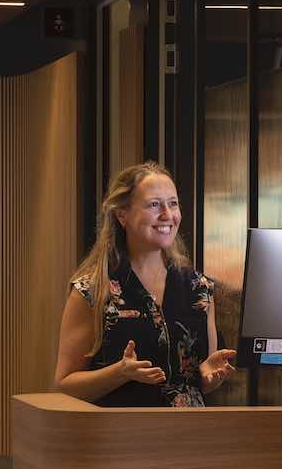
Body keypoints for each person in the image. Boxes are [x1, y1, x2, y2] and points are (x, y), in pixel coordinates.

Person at [55, 161, 235, 406]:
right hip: (121, 439)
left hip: (190, 439)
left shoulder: (199, 289)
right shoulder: (91, 291)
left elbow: (199, 379)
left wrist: (209, 376)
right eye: (154, 205)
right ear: (122, 215)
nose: (167, 215)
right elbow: (66, 385)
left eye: (173, 203)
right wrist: (119, 373)